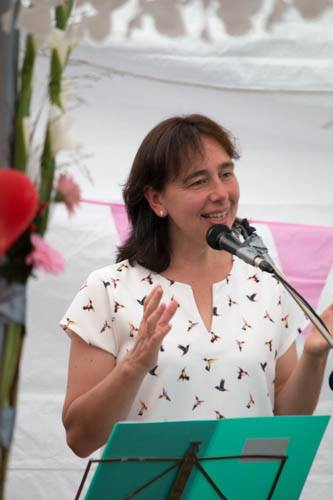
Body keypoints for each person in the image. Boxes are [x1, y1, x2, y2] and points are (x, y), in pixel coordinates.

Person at [61, 114, 333, 458]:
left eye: (226, 173)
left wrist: (313, 355)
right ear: (157, 200)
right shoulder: (108, 289)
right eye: (198, 181)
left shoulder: (266, 283)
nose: (220, 194)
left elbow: (285, 418)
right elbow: (80, 438)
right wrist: (134, 365)